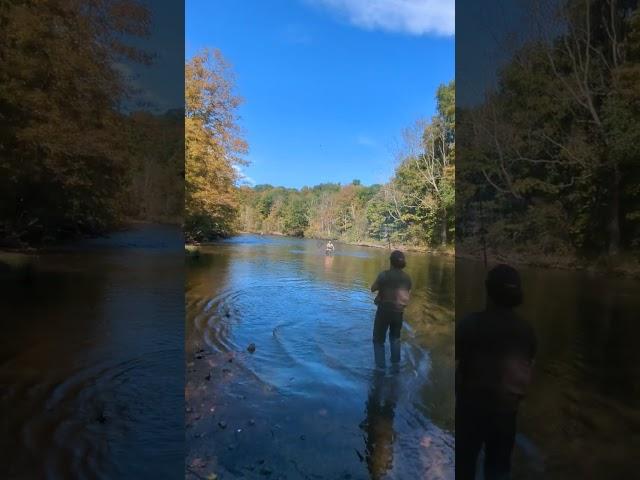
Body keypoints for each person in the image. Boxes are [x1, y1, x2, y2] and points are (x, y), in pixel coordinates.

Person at [455, 264, 537, 480]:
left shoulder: (468, 324)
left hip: (470, 410)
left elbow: (458, 358)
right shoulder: (527, 331)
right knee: (499, 468)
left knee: (464, 465)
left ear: (488, 290)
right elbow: (528, 370)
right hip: (506, 414)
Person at [370, 250, 412, 369]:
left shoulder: (384, 275)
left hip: (384, 311)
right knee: (395, 339)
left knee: (378, 341)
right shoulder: (407, 278)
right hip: (399, 313)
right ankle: (395, 365)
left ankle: (380, 369)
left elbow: (373, 288)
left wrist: (382, 288)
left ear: (391, 262)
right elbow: (407, 293)